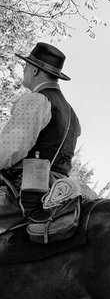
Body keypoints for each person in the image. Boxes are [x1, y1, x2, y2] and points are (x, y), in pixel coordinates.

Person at [0, 42, 93, 219]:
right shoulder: (72, 114)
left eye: (26, 66)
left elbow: (9, 149)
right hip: (59, 186)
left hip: (28, 186)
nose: (24, 70)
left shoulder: (36, 100)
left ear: (34, 70)